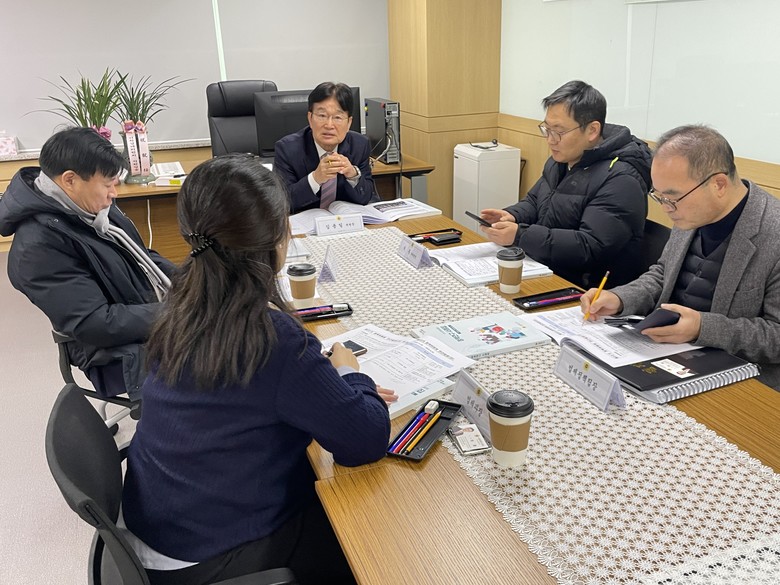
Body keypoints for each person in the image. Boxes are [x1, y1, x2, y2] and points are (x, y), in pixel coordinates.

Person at [121, 154, 391, 585]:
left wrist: (316, 383)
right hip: (209, 556)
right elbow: (365, 441)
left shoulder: (184, 297)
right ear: (276, 237)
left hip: (159, 525)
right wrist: (349, 374)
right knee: (375, 532)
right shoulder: (270, 336)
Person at [581, 125, 780, 390]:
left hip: (739, 381)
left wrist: (702, 328)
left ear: (719, 184)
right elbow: (663, 273)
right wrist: (621, 298)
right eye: (659, 196)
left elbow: (776, 336)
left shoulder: (773, 233)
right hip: (665, 355)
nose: (666, 208)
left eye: (672, 198)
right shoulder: (690, 209)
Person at [0, 127, 174, 400]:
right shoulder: (37, 248)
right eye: (107, 184)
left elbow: (141, 256)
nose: (114, 193)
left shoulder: (90, 208)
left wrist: (194, 279)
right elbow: (95, 323)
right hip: (114, 352)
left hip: (143, 310)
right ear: (70, 180)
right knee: (228, 353)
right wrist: (179, 313)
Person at [478, 80, 651, 289]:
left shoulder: (621, 178)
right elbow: (535, 201)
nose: (550, 140)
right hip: (546, 268)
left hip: (587, 290)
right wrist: (513, 216)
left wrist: (521, 235)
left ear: (592, 130)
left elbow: (590, 246)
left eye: (558, 131)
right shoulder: (560, 160)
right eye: (547, 129)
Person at [274, 81, 377, 214]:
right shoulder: (287, 149)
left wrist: (352, 175)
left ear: (349, 123)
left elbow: (366, 196)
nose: (329, 125)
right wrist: (315, 178)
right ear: (310, 118)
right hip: (305, 222)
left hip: (344, 221)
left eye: (338, 117)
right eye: (322, 116)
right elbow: (282, 202)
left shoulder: (359, 145)